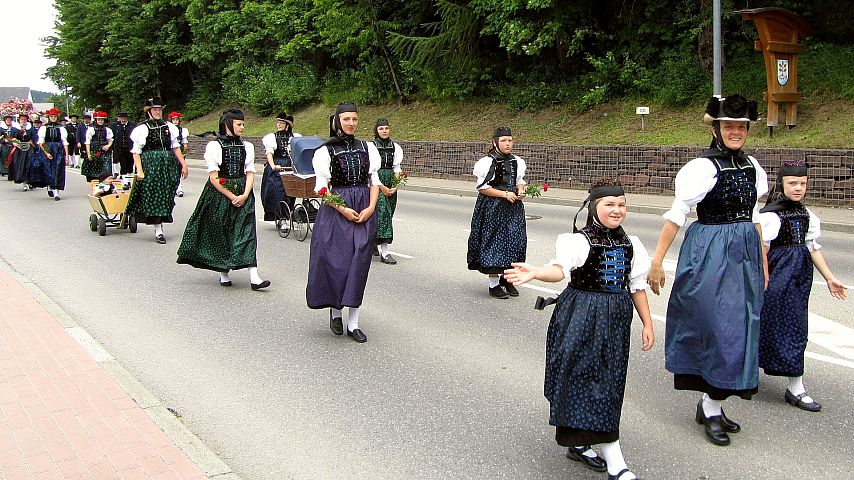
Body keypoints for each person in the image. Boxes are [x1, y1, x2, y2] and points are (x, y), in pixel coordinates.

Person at [504, 179, 654, 480]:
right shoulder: (578, 242)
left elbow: (636, 286)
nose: (616, 210)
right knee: (579, 377)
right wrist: (535, 271)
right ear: (594, 207)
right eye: (609, 204)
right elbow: (559, 270)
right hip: (580, 315)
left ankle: (583, 443)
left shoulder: (632, 244)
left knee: (608, 382)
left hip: (615, 321)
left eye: (621, 204)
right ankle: (614, 460)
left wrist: (647, 323)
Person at [647, 95, 768, 447]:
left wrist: (762, 260)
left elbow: (755, 216)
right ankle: (711, 406)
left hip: (744, 252)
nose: (736, 132)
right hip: (711, 252)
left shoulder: (752, 168)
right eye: (729, 126)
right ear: (715, 129)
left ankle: (711, 403)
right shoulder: (701, 169)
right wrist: (657, 261)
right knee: (718, 327)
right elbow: (676, 215)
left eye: (741, 127)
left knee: (741, 327)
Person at [758, 159, 847, 412]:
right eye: (793, 183)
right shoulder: (771, 215)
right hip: (775, 275)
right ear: (781, 184)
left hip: (798, 279)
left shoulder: (807, 215)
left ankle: (795, 386)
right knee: (763, 322)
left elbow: (812, 248)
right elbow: (762, 249)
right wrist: (764, 276)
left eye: (802, 183)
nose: (798, 188)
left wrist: (829, 277)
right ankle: (746, 374)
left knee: (796, 328)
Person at [306, 102, 381, 343]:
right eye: (346, 119)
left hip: (363, 206)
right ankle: (336, 311)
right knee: (337, 262)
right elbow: (322, 188)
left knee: (359, 262)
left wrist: (370, 207)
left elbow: (374, 181)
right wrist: (344, 210)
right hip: (337, 209)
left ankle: (354, 322)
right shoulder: (325, 151)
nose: (351, 123)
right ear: (337, 121)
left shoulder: (367, 148)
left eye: (355, 119)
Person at [177, 109, 270, 290]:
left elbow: (250, 172)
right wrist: (232, 196)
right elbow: (214, 177)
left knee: (247, 232)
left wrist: (244, 194)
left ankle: (254, 276)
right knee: (222, 231)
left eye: (243, 124)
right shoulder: (215, 146)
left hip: (243, 190)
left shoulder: (247, 146)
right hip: (220, 193)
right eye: (239, 124)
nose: (242, 127)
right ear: (228, 125)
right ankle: (223, 271)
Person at [467, 127, 528, 299]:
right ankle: (493, 284)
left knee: (515, 240)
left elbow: (519, 181)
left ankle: (507, 279)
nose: (508, 144)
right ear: (495, 143)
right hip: (492, 206)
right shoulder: (487, 162)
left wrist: (521, 191)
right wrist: (504, 194)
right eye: (504, 141)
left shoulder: (517, 161)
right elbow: (482, 188)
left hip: (513, 207)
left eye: (510, 140)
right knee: (494, 242)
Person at [125, 97, 188, 244]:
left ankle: (161, 222)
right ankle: (158, 229)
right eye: (155, 110)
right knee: (154, 195)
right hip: (150, 164)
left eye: (159, 110)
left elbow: (175, 147)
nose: (158, 112)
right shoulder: (142, 129)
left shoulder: (169, 127)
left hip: (168, 165)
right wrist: (140, 170)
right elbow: (136, 152)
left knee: (166, 194)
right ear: (149, 112)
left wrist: (183, 164)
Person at [372, 118, 404, 265]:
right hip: (375, 182)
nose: (384, 131)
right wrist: (381, 187)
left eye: (386, 128)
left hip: (390, 180)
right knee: (382, 212)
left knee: (388, 214)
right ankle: (385, 252)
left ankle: (373, 241)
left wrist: (395, 185)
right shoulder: (371, 147)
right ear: (376, 131)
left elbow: (397, 168)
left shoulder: (395, 147)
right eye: (381, 129)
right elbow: (371, 171)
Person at [260, 112, 302, 221]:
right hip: (278, 165)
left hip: (291, 165)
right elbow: (269, 153)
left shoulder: (294, 137)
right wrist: (273, 165)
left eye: (281, 123)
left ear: (287, 125)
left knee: (291, 191)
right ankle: (280, 216)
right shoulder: (272, 137)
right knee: (277, 191)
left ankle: (289, 213)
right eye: (278, 123)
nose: (278, 125)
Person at [36, 108, 70, 201]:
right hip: (48, 148)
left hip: (58, 149)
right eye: (51, 116)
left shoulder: (61, 128)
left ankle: (56, 192)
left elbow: (65, 142)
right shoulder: (44, 128)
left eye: (55, 116)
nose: (53, 118)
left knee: (58, 169)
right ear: (49, 117)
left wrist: (66, 156)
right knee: (49, 169)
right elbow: (41, 142)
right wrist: (46, 153)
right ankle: (50, 186)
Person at [82, 111, 114, 182]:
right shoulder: (91, 129)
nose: (100, 121)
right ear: (96, 120)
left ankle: (104, 188)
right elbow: (87, 142)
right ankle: (94, 190)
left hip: (105, 152)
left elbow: (110, 140)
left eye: (102, 119)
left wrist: (108, 146)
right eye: (99, 119)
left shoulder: (107, 130)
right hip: (94, 151)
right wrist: (89, 154)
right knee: (93, 173)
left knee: (106, 170)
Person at [167, 111, 190, 197]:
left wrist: (184, 151)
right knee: (171, 169)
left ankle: (179, 188)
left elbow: (184, 143)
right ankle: (173, 187)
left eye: (177, 119)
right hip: (171, 151)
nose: (175, 121)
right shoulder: (168, 129)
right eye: (174, 119)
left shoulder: (182, 130)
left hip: (179, 151)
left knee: (179, 169)